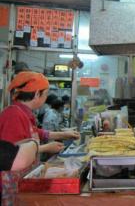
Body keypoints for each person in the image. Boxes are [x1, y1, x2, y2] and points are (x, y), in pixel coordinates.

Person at [0, 71, 80, 206]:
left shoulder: (24, 113)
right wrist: (46, 148)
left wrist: (63, 134)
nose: (46, 97)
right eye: (45, 93)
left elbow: (38, 133)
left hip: (24, 178)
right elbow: (11, 153)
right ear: (37, 94)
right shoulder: (13, 115)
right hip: (11, 183)